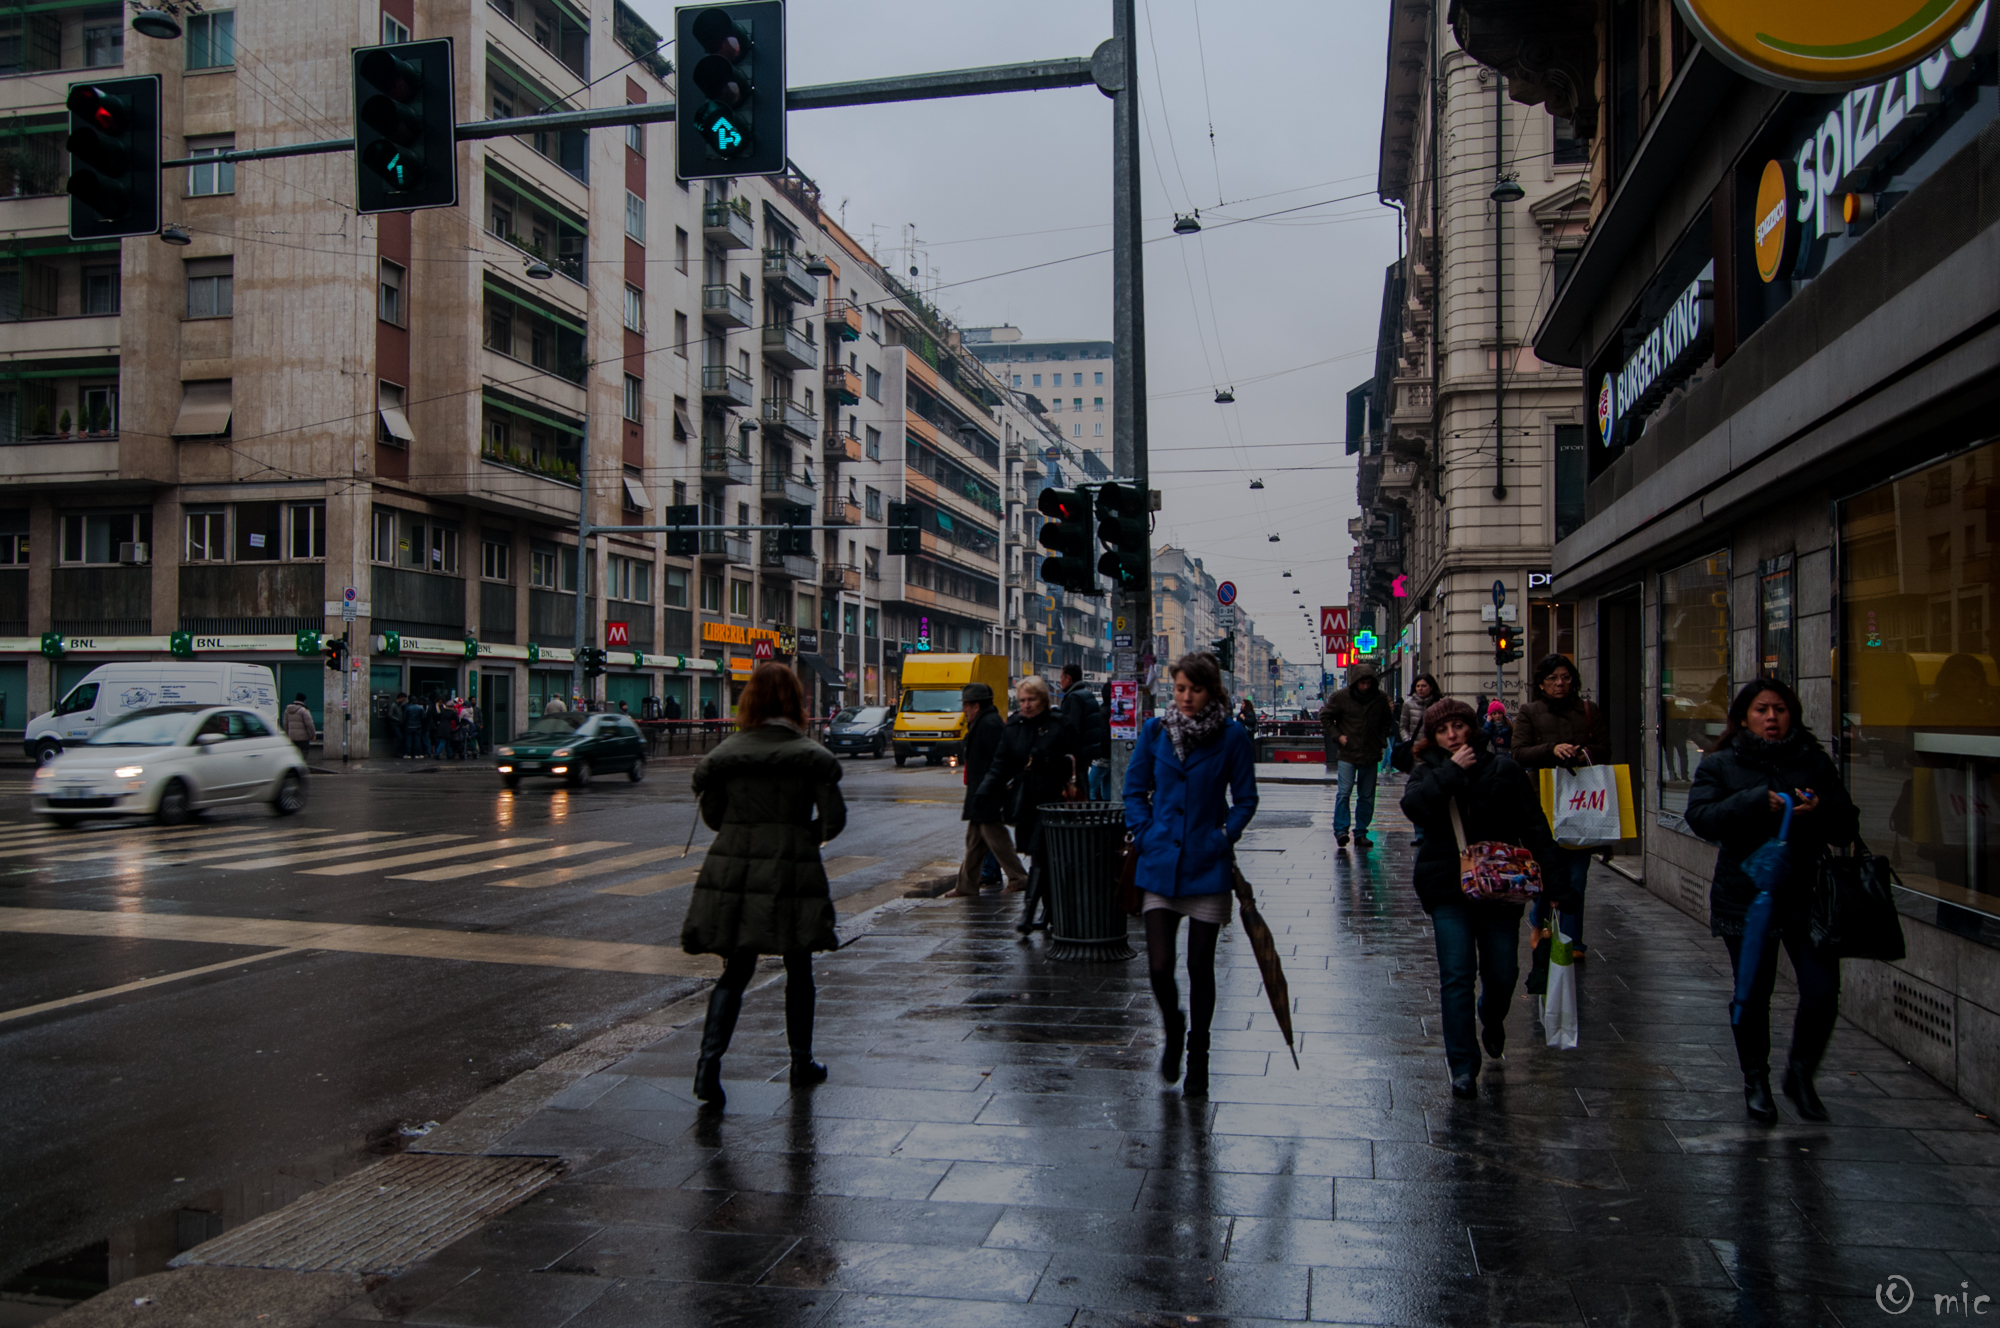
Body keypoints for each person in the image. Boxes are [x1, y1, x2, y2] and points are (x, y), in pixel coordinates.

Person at [1684, 676, 1858, 1125]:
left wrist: (1819, 811)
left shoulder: (1813, 761)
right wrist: (1752, 802)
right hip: (1746, 897)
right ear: (1744, 717)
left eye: (1779, 709)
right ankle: (1755, 1080)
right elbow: (1701, 818)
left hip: (1807, 896)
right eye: (1761, 710)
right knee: (1753, 991)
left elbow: (1846, 825)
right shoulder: (1721, 764)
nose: (1771, 718)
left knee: (1822, 991)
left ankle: (1800, 1073)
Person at [683, 662, 845, 1108]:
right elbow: (834, 820)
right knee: (799, 965)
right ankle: (800, 1062)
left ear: (749, 700)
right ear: (795, 702)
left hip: (735, 870)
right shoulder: (810, 755)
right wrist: (800, 836)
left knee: (736, 970)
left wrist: (744, 830)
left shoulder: (727, 754)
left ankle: (708, 1066)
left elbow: (713, 816)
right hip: (791, 869)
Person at [1400, 698, 1562, 1099]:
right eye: (1442, 730)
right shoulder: (1427, 772)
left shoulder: (1505, 769)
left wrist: (1557, 883)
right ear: (1433, 737)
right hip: (1447, 888)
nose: (1452, 735)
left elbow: (1535, 825)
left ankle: (1491, 1015)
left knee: (1502, 973)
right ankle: (1462, 1066)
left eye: (1458, 726)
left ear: (1472, 728)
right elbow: (1415, 808)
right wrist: (1452, 772)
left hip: (1500, 888)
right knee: (1456, 975)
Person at [1126, 652, 1257, 1099]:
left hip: (1206, 863)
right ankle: (1173, 1025)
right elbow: (1133, 790)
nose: (1185, 697)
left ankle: (1198, 1053)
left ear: (1211, 691)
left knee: (1200, 966)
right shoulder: (1155, 731)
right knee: (1160, 966)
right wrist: (1145, 833)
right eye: (1180, 688)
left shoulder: (1232, 735)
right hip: (1160, 861)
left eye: (1195, 690)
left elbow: (1246, 799)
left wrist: (1223, 837)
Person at [1512, 654, 1611, 971]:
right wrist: (1551, 750)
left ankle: (1572, 941)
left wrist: (1583, 754)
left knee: (1576, 877)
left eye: (1566, 677)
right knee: (1547, 870)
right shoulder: (1529, 712)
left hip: (1582, 802)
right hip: (1542, 804)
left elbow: (1606, 748)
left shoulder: (1588, 710)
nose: (1560, 683)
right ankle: (1539, 917)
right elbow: (1519, 753)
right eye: (1553, 678)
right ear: (1541, 683)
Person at [978, 675, 1082, 936]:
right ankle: (1049, 911)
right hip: (1026, 802)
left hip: (1055, 802)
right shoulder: (1014, 726)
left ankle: (1028, 912)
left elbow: (1077, 759)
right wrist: (985, 791)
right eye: (1022, 700)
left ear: (1043, 700)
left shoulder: (1060, 724)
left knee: (1040, 854)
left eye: (1031, 699)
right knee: (1042, 857)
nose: (1026, 705)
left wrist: (1056, 766)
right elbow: (1000, 764)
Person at [951, 682, 1028, 897]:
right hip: (981, 792)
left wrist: (991, 788)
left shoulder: (989, 725)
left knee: (998, 839)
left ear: (976, 706)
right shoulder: (982, 723)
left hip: (988, 793)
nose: (964, 709)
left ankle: (1019, 878)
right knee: (974, 842)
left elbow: (1000, 761)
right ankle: (966, 886)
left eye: (966, 705)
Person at [1320, 661, 1393, 847]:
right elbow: (1325, 716)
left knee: (1366, 796)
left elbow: (1387, 720)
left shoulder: (1379, 698)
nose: (1365, 687)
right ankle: (1341, 830)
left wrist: (1381, 740)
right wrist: (1338, 736)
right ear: (1355, 682)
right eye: (1362, 683)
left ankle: (1361, 832)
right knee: (1344, 793)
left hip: (1370, 752)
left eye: (1368, 683)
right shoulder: (1342, 697)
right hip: (1348, 752)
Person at [1059, 664, 1110, 800]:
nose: (1060, 681)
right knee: (1087, 785)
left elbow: (1073, 729)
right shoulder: (1087, 694)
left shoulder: (1073, 698)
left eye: (1061, 677)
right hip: (1088, 752)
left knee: (1081, 788)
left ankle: (1084, 810)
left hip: (1078, 754)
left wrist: (1068, 752)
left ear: (1068, 678)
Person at [402, 693, 427, 759]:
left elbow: (404, 717)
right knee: (417, 740)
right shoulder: (420, 708)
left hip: (408, 725)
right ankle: (417, 754)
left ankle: (408, 754)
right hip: (418, 726)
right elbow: (423, 717)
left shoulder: (407, 708)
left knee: (408, 740)